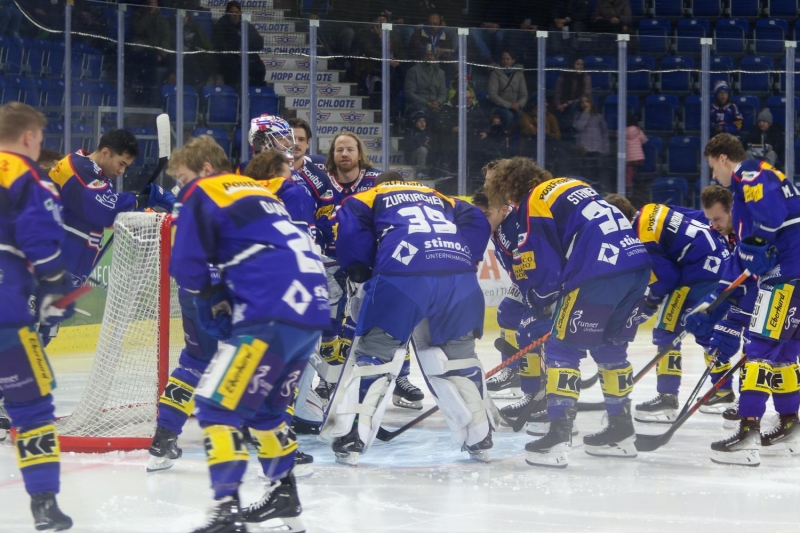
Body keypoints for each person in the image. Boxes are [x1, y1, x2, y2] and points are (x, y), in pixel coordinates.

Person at [169, 137, 329, 533]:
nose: (182, 187)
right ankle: (284, 494)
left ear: (205, 169)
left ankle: (227, 511)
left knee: (215, 407)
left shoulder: (204, 190)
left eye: (184, 177)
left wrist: (208, 298)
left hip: (269, 314)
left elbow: (186, 266)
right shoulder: (260, 192)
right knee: (266, 412)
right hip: (310, 313)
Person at [485, 157, 651, 468]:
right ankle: (621, 430)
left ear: (510, 186)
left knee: (562, 348)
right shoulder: (573, 184)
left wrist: (540, 306)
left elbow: (544, 265)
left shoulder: (534, 202)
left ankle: (558, 435)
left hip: (598, 271)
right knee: (611, 350)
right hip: (636, 266)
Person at [320, 172, 494, 465]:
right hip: (459, 278)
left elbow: (350, 230)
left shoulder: (368, 196)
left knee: (376, 355)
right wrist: (468, 254)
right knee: (457, 358)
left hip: (403, 276)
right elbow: (476, 218)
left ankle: (352, 436)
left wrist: (359, 268)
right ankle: (480, 435)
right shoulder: (440, 198)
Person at [685, 133, 800, 466]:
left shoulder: (747, 172)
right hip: (793, 274)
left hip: (784, 277)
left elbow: (772, 218)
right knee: (784, 351)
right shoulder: (745, 197)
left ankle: (748, 431)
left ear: (723, 158)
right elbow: (742, 259)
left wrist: (759, 242)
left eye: (712, 167)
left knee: (758, 350)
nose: (714, 177)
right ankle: (790, 424)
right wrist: (712, 302)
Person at [0, 102, 74, 531]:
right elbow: (40, 238)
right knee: (32, 405)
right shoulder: (27, 177)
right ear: (29, 137)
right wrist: (53, 289)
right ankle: (44, 504)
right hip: (6, 311)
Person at [603, 194, 733, 423]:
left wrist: (650, 303)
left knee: (666, 331)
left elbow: (667, 279)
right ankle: (723, 390)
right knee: (705, 334)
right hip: (720, 263)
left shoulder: (641, 237)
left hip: (699, 274)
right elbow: (700, 220)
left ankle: (668, 398)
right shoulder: (653, 208)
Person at [48, 129, 173, 291]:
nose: (122, 171)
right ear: (105, 152)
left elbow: (106, 207)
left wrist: (141, 208)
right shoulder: (78, 168)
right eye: (121, 164)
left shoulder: (94, 172)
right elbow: (107, 212)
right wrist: (137, 201)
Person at [212, 0, 266, 88]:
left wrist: (246, 50)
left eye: (237, 12)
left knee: (259, 68)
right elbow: (219, 44)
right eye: (232, 12)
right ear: (227, 13)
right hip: (228, 58)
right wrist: (235, 50)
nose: (234, 14)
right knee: (233, 69)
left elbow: (258, 42)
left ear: (240, 13)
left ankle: (253, 92)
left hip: (246, 56)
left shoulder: (246, 25)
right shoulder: (220, 25)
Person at [487, 50, 528, 131]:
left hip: (515, 107)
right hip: (498, 107)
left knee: (522, 116)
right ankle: (506, 137)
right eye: (503, 59)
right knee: (508, 116)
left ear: (513, 60)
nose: (505, 61)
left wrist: (519, 104)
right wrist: (509, 105)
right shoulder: (495, 73)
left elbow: (524, 94)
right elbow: (492, 95)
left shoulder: (519, 73)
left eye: (508, 59)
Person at [404, 47, 447, 117]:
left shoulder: (441, 73)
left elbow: (443, 94)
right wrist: (427, 103)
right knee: (423, 111)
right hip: (418, 104)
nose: (429, 57)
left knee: (446, 113)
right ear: (422, 57)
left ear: (435, 57)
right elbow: (409, 94)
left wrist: (437, 102)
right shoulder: (413, 71)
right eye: (427, 55)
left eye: (432, 55)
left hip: (436, 105)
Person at [553, 58, 591, 132]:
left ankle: (571, 130)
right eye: (578, 64)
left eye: (582, 65)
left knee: (575, 105)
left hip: (578, 105)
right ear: (572, 65)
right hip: (562, 105)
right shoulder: (563, 77)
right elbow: (557, 94)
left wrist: (567, 104)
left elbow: (585, 96)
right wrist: (558, 105)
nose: (580, 67)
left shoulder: (586, 78)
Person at [625, 114, 647, 201]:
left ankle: (629, 187)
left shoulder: (623, 131)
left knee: (629, 172)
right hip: (638, 156)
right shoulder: (638, 130)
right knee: (634, 170)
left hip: (629, 157)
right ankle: (634, 184)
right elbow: (644, 140)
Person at [404, 112, 433, 176]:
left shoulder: (428, 132)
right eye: (420, 121)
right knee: (422, 150)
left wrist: (427, 145)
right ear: (415, 122)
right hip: (412, 157)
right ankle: (421, 172)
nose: (422, 123)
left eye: (424, 121)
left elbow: (432, 146)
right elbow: (409, 148)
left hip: (426, 156)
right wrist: (422, 143)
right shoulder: (410, 132)